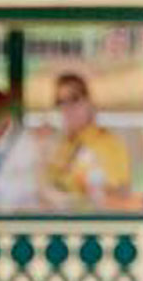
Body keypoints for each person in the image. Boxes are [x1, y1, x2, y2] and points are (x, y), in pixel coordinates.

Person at [42, 72, 133, 206]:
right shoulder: (59, 145)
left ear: (89, 102)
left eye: (74, 99)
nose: (67, 108)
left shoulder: (108, 143)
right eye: (60, 102)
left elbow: (120, 191)